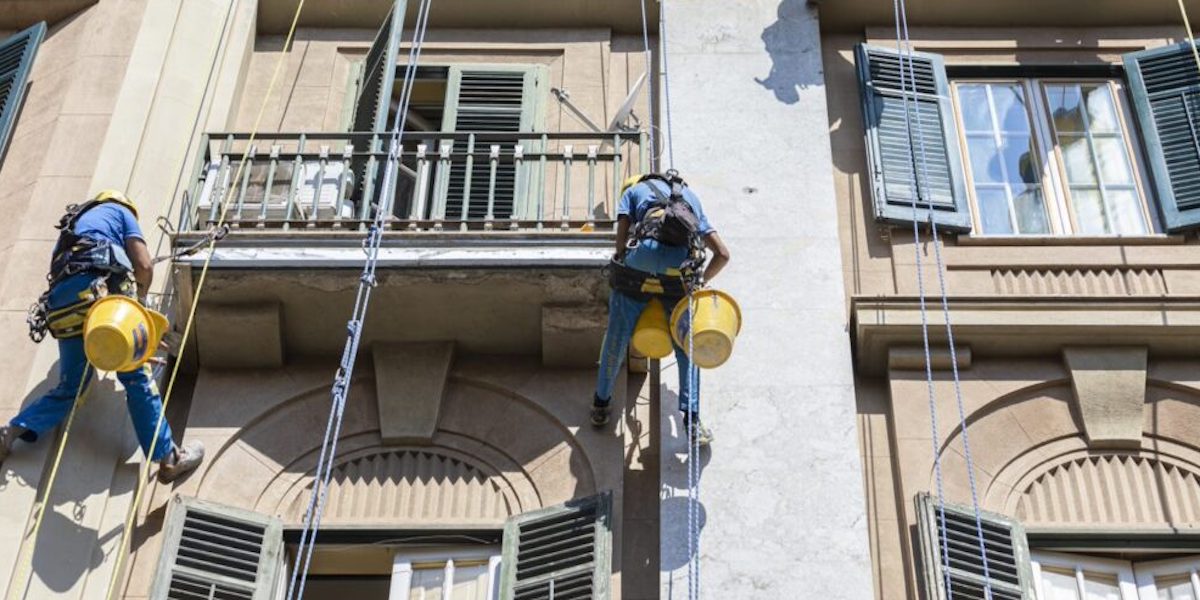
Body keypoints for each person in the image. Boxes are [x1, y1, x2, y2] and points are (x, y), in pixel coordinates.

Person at [0, 190, 204, 483]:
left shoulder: (72, 228)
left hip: (64, 305)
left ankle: (11, 432)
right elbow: (144, 265)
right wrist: (140, 303)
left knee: (72, 386)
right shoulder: (121, 212)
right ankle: (168, 457)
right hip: (99, 291)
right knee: (135, 374)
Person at [592, 172, 730, 445]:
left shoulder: (633, 192)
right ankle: (692, 421)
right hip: (677, 275)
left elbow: (620, 241)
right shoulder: (692, 200)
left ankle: (600, 405)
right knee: (685, 348)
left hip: (638, 266)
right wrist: (699, 281)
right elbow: (723, 255)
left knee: (616, 339)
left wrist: (622, 261)